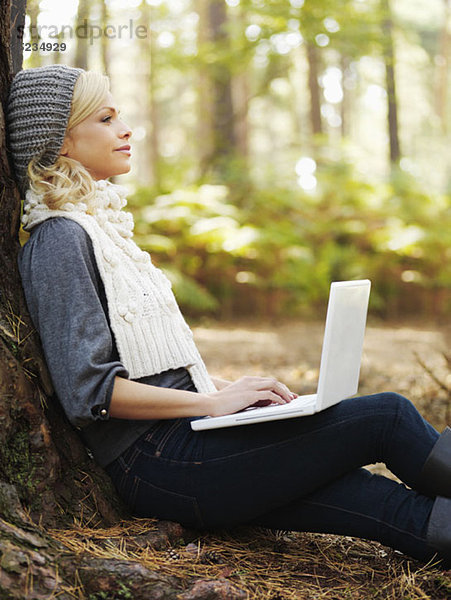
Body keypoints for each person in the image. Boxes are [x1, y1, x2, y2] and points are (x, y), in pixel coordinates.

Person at [5, 64, 451, 567]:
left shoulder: (100, 230)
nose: (126, 128)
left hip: (183, 448)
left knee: (376, 500)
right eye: (106, 118)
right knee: (387, 415)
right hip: (161, 463)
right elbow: (89, 393)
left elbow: (155, 368)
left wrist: (225, 393)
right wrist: (213, 405)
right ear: (61, 142)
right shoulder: (59, 240)